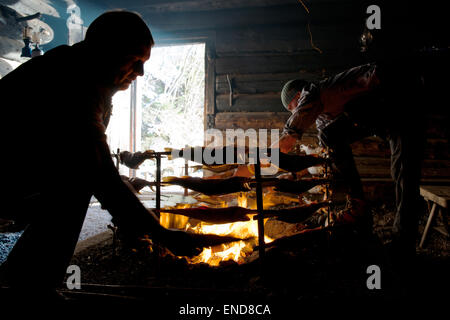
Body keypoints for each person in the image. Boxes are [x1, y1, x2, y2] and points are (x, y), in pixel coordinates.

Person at [0, 11, 201, 296]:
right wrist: (161, 234)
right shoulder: (73, 83)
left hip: (23, 171)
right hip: (7, 174)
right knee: (77, 186)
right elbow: (101, 176)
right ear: (108, 50)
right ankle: (33, 284)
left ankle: (25, 273)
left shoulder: (86, 77)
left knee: (78, 181)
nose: (141, 72)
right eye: (136, 60)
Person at [275, 55, 440, 261]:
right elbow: (327, 147)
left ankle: (402, 248)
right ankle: (358, 203)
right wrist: (297, 173)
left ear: (298, 96)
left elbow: (289, 136)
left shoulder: (315, 93)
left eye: (292, 108)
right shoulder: (324, 116)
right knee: (329, 135)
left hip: (401, 103)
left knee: (405, 177)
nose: (295, 112)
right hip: (386, 119)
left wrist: (265, 157)